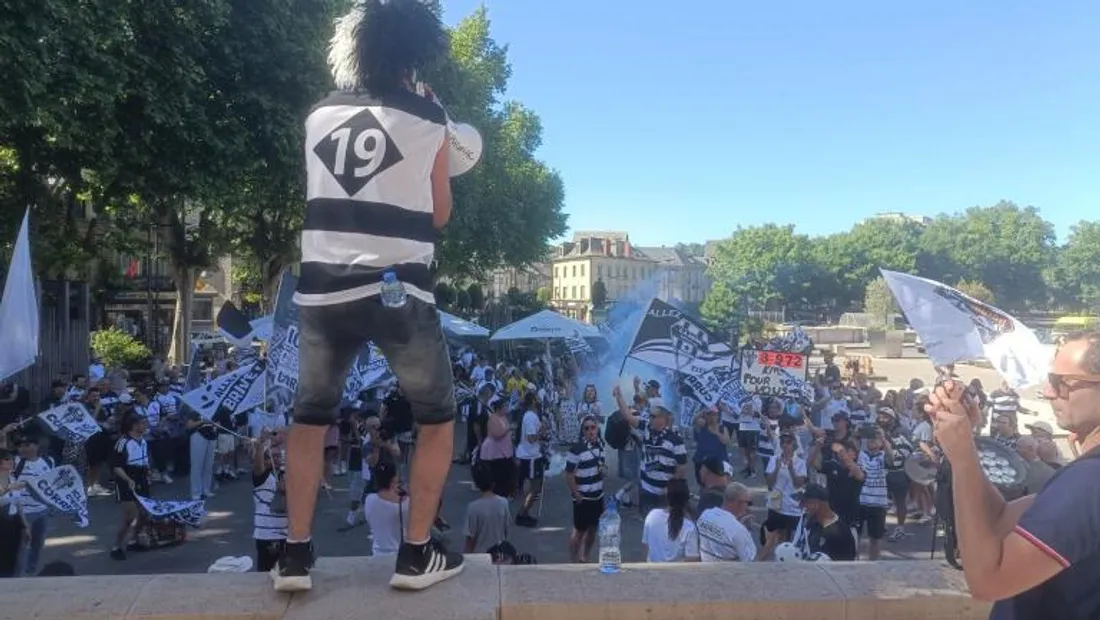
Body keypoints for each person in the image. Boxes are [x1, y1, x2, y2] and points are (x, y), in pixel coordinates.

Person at [272, 0, 460, 593]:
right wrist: (435, 120)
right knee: (437, 418)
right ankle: (416, 554)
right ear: (412, 55)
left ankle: (295, 557)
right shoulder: (429, 117)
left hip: (323, 291)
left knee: (309, 418)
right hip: (397, 288)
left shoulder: (317, 115)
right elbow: (440, 214)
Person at [930, 331, 1100, 619]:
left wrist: (962, 459)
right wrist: (967, 447)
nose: (1048, 391)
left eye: (1061, 383)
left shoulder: (1088, 482)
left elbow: (987, 581)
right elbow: (1000, 520)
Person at [565, 415, 605, 563]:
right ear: (582, 431)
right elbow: (568, 474)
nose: (590, 431)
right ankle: (573, 560)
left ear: (597, 428)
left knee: (593, 529)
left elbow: (601, 466)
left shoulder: (601, 445)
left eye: (593, 427)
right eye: (586, 428)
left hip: (598, 496)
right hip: (583, 498)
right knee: (579, 531)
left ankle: (585, 556)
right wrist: (576, 494)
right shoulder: (576, 449)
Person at [110, 415, 151, 561]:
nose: (144, 426)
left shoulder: (144, 441)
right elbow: (116, 466)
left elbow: (145, 461)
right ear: (133, 426)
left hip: (142, 478)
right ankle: (116, 547)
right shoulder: (123, 442)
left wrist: (148, 474)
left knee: (144, 514)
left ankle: (134, 540)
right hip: (126, 480)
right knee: (131, 517)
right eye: (141, 423)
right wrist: (128, 480)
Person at [13, 434, 52, 576]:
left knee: (37, 546)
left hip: (43, 512)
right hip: (23, 513)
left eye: (27, 445)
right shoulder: (15, 463)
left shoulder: (48, 461)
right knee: (21, 550)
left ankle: (31, 574)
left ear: (36, 446)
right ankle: (18, 578)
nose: (23, 449)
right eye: (20, 445)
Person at [251, 430, 287, 572]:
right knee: (266, 576)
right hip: (267, 537)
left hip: (290, 535)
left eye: (280, 456)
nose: (277, 459)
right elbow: (258, 467)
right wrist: (260, 445)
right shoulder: (263, 478)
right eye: (274, 456)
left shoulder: (291, 476)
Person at [793, 483, 857, 561]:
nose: (800, 505)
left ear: (816, 503)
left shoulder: (840, 532)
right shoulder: (808, 521)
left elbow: (845, 566)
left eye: (804, 501)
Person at [696, 482, 758, 562]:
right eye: (748, 503)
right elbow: (753, 564)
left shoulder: (705, 515)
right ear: (739, 503)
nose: (749, 507)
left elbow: (723, 531)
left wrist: (737, 523)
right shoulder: (739, 531)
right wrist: (769, 542)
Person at [642, 478, 700, 563]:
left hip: (652, 572)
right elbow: (692, 560)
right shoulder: (689, 527)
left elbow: (645, 549)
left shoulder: (652, 516)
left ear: (667, 497)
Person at [362, 461, 409, 558]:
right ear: (394, 479)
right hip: (400, 554)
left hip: (377, 553)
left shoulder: (369, 499)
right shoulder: (405, 504)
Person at [463, 462, 509, 554]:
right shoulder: (503, 502)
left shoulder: (473, 507)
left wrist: (466, 556)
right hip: (499, 554)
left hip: (480, 555)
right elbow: (505, 530)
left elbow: (470, 538)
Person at [514, 392, 545, 527]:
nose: (539, 400)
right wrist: (543, 431)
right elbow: (531, 438)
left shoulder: (530, 416)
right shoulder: (530, 417)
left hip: (530, 454)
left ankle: (524, 513)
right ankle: (522, 514)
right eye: (537, 398)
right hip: (531, 456)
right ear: (533, 401)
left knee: (534, 488)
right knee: (535, 488)